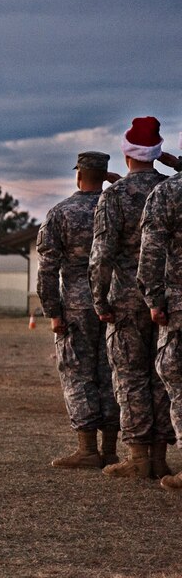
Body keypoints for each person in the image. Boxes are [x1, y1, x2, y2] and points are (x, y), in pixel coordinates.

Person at [89, 117, 176, 478]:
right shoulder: (172, 188)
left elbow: (101, 253)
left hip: (125, 297)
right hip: (167, 297)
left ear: (126, 155)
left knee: (130, 376)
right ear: (156, 154)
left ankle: (138, 457)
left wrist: (99, 298)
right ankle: (159, 456)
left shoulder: (116, 195)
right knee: (163, 377)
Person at [37, 151, 120, 469]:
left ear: (78, 175)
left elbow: (47, 269)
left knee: (77, 374)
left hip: (76, 306)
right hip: (116, 303)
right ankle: (111, 449)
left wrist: (52, 311)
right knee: (113, 372)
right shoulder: (116, 206)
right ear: (105, 174)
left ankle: (87, 450)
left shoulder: (62, 212)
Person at [137, 133, 182, 490]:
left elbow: (151, 254)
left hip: (179, 304)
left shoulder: (168, 193)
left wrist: (153, 300)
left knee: (175, 375)